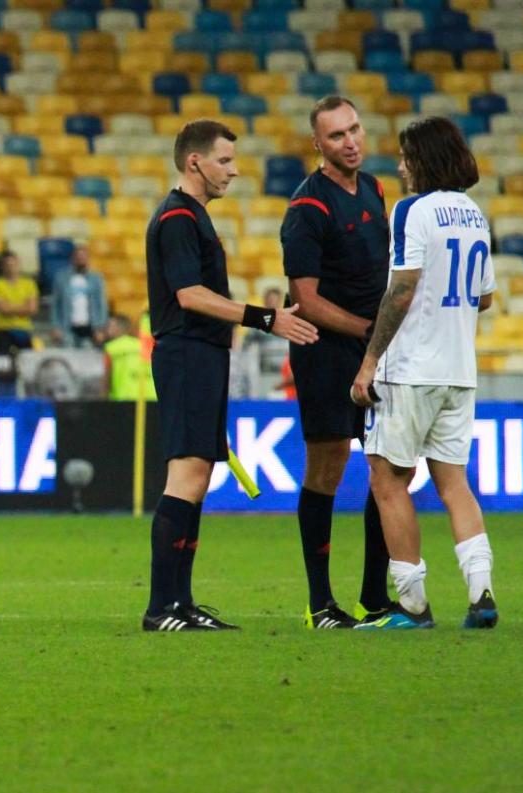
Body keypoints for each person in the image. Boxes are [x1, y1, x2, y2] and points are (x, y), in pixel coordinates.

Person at [142, 119, 319, 633]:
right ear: (194, 161)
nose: (233, 171)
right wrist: (264, 318)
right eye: (224, 161)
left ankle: (181, 602)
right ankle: (161, 607)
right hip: (186, 353)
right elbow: (189, 295)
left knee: (198, 476)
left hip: (202, 355)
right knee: (186, 475)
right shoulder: (177, 217)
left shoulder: (192, 216)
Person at [351, 117, 498, 631]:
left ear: (424, 159)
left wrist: (370, 361)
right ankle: (481, 593)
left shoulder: (412, 210)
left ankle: (413, 606)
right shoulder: (475, 214)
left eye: (406, 156)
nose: (400, 166)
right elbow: (484, 297)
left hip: (410, 368)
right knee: (454, 482)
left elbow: (402, 289)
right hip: (459, 369)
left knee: (388, 479)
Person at [279, 95, 394, 629]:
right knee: (327, 465)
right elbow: (305, 300)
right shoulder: (307, 207)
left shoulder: (374, 189)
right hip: (325, 350)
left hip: (373, 347)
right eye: (336, 135)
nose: (350, 142)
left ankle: (374, 597)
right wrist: (370, 331)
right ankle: (320, 602)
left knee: (387, 464)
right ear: (317, 144)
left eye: (354, 130)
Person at [50, 246, 108, 349]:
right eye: (78, 257)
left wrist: (100, 328)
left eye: (83, 257)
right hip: (67, 326)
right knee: (68, 353)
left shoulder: (96, 279)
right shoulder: (61, 278)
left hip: (90, 327)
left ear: (88, 259)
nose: (81, 260)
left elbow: (101, 304)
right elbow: (56, 305)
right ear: (72, 259)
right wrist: (56, 326)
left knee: (88, 352)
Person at [0, 251, 39, 354]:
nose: (10, 268)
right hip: (4, 329)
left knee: (27, 359)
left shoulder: (29, 283)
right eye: (7, 265)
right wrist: (23, 306)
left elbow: (32, 309)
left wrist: (10, 307)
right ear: (2, 266)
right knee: (2, 361)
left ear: (18, 264)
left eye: (13, 265)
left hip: (23, 329)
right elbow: (3, 309)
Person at [102, 314, 156, 401]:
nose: (107, 331)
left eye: (110, 326)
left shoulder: (111, 348)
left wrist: (103, 402)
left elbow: (106, 380)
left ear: (120, 328)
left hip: (123, 400)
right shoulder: (147, 346)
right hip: (152, 399)